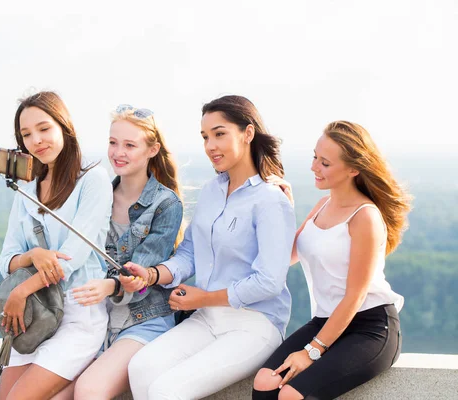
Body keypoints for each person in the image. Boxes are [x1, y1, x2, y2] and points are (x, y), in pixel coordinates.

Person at [122, 95, 296, 400]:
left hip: (254, 325)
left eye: (219, 134)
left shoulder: (271, 200)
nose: (210, 146)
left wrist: (204, 297)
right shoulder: (211, 191)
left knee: (167, 389)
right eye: (205, 137)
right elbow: (189, 253)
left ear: (248, 133)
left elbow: (269, 281)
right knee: (140, 367)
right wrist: (151, 275)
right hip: (207, 318)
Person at [253, 121, 411, 400]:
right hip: (326, 320)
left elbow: (354, 296)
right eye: (315, 157)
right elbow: (287, 257)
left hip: (371, 328)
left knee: (291, 395)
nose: (314, 167)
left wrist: (311, 352)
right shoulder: (322, 205)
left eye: (325, 163)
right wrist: (284, 210)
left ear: (353, 169)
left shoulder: (365, 216)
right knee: (265, 383)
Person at [51, 104, 184, 400]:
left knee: (89, 390)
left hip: (143, 319)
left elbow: (141, 271)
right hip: (96, 319)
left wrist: (109, 285)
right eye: (113, 143)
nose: (118, 152)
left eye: (129, 145)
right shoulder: (95, 195)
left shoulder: (166, 204)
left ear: (152, 150)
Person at [0, 91, 113, 400]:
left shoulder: (93, 180)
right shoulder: (27, 188)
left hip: (78, 312)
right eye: (26, 134)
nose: (36, 140)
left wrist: (20, 290)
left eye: (44, 128)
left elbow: (70, 259)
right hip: (37, 315)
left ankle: (89, 367)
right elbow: (5, 259)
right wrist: (32, 255)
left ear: (64, 126)